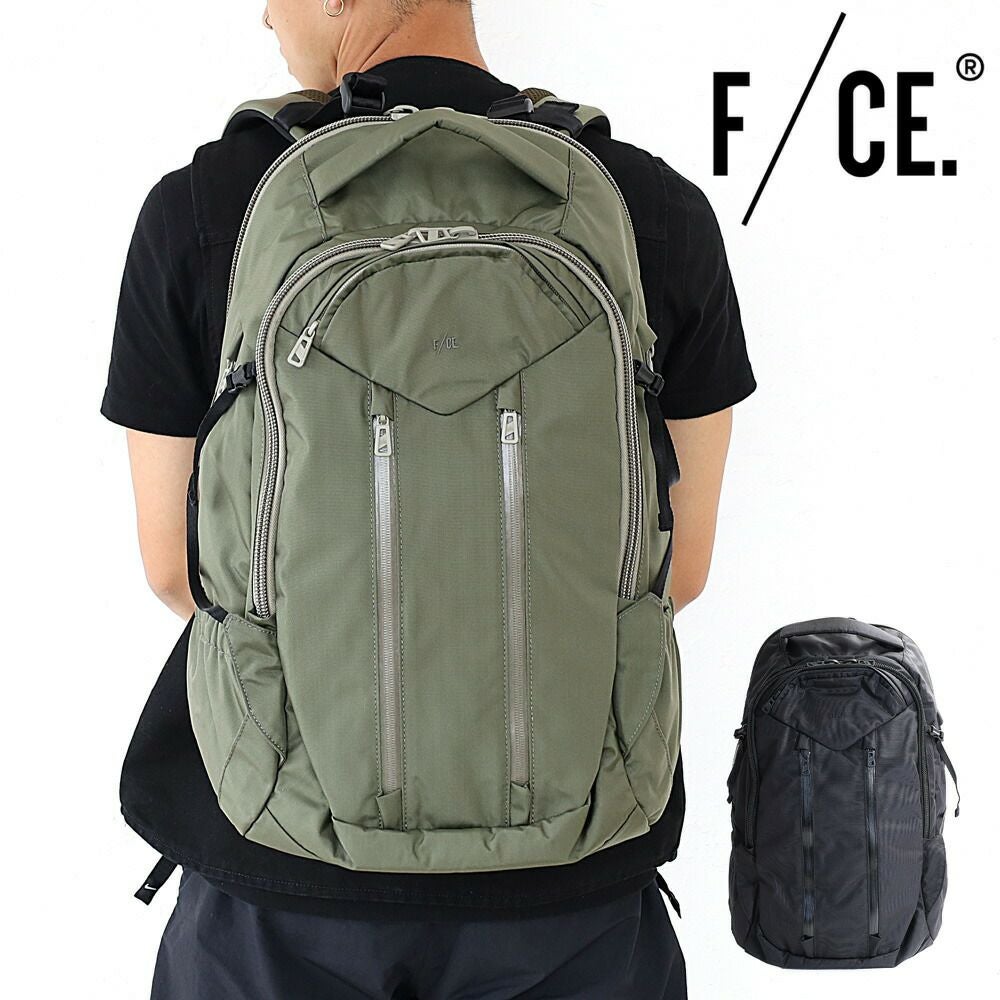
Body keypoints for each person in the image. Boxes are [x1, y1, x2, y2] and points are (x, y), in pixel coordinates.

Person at [103, 2, 756, 997]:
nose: (264, 15)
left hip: (277, 859)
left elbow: (172, 567)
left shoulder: (201, 205)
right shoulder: (650, 208)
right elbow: (683, 566)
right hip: (575, 878)